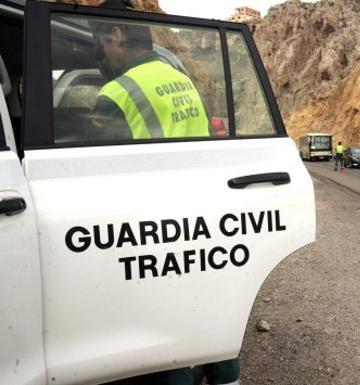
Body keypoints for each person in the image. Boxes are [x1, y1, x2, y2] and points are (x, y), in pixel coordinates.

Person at [92, 2, 239, 385]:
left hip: (151, 226)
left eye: (99, 41)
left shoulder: (116, 93)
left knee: (165, 329)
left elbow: (98, 178)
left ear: (117, 35)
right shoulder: (179, 77)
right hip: (201, 215)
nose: (101, 52)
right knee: (208, 314)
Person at [90, 0, 209, 140]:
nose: (104, 54)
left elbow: (101, 158)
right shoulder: (184, 79)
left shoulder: (115, 94)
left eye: (101, 44)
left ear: (116, 36)